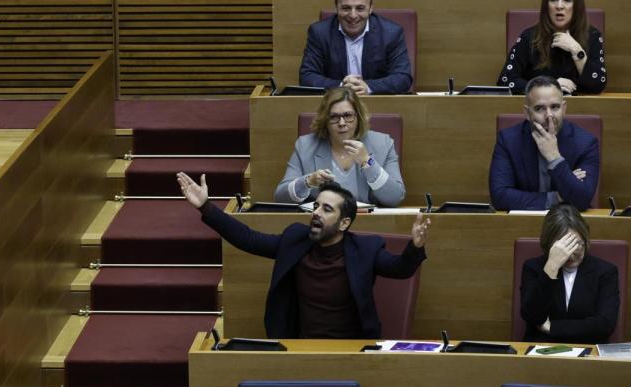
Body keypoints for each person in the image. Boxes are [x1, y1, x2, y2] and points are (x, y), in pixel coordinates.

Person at [177, 173, 429, 339]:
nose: (316, 212)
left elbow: (400, 269)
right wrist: (205, 207)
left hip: (352, 350)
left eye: (326, 209)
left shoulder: (366, 249)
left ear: (344, 223)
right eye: (316, 205)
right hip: (299, 346)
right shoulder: (295, 240)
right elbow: (248, 239)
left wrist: (415, 247)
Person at [275, 87, 404, 207]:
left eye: (348, 116)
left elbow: (395, 197)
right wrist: (308, 181)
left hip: (370, 224)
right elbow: (280, 197)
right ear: (325, 120)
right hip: (325, 226)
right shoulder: (305, 146)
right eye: (334, 117)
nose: (342, 123)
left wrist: (368, 163)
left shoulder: (383, 144)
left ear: (358, 117)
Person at [489, 75, 598, 211]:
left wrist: (554, 157)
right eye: (540, 108)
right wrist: (557, 197)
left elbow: (582, 200)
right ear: (527, 113)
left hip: (567, 225)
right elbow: (500, 197)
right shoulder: (508, 140)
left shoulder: (586, 143)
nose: (549, 115)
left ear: (564, 109)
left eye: (555, 107)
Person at [520, 204, 619, 343]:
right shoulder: (533, 268)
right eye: (564, 247)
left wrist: (552, 327)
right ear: (549, 245)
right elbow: (532, 317)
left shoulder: (605, 272)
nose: (571, 254)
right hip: (540, 351)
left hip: (589, 353)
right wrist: (551, 267)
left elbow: (604, 325)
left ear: (585, 239)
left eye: (577, 244)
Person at [299, 0, 412, 95]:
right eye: (346, 8)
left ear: (371, 8)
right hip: (334, 108)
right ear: (336, 7)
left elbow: (402, 77)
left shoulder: (391, 33)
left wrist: (367, 87)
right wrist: (341, 87)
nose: (353, 15)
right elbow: (307, 76)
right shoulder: (319, 33)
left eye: (360, 8)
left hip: (377, 104)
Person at [498, 0, 606, 95]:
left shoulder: (592, 36)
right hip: (539, 110)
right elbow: (505, 80)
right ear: (546, 6)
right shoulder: (529, 37)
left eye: (567, 0)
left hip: (581, 110)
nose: (559, 6)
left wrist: (576, 50)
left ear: (577, 6)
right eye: (553, 0)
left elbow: (597, 84)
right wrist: (547, 86)